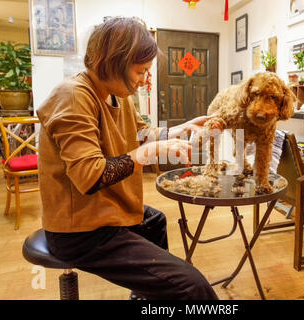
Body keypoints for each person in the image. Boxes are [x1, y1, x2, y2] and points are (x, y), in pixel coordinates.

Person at [36, 16, 219, 300]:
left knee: (154, 221)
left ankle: (147, 295)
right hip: (78, 232)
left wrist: (180, 129)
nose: (146, 80)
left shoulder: (117, 95)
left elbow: (142, 135)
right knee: (190, 286)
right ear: (112, 62)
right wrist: (148, 153)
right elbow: (90, 176)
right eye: (141, 71)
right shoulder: (73, 96)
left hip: (102, 213)